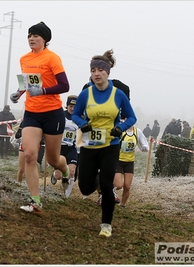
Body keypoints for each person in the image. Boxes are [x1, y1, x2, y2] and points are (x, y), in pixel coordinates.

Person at [72, 49, 136, 237]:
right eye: (93, 71)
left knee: (108, 186)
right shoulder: (85, 94)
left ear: (107, 72)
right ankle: (98, 181)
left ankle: (106, 224)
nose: (96, 74)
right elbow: (75, 114)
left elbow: (131, 117)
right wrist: (82, 124)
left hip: (110, 145)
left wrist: (120, 129)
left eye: (100, 70)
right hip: (89, 146)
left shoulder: (118, 95)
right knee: (84, 187)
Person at [9, 21, 70, 213]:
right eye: (29, 36)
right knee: (29, 155)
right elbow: (28, 84)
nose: (31, 39)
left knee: (52, 160)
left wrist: (43, 90)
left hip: (52, 113)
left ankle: (66, 171)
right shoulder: (24, 59)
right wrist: (19, 93)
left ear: (45, 40)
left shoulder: (52, 58)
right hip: (32, 113)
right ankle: (35, 201)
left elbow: (64, 85)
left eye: (36, 36)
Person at [113, 122, 149, 208]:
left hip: (129, 162)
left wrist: (144, 148)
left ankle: (122, 205)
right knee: (118, 185)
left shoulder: (137, 132)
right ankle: (107, 193)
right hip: (118, 160)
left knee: (127, 186)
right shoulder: (120, 130)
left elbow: (144, 145)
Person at [50, 95, 79, 198]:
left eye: (75, 106)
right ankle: (54, 175)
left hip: (72, 148)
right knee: (59, 175)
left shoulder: (80, 118)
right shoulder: (61, 115)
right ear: (67, 106)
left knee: (72, 171)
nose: (72, 108)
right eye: (70, 106)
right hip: (60, 148)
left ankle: (66, 195)